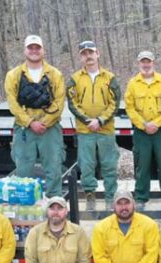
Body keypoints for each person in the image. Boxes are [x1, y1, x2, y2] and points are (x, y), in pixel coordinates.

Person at [4, 35, 66, 197]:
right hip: (24, 129)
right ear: (25, 51)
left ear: (43, 50)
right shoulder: (13, 75)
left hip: (50, 129)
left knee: (53, 167)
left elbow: (59, 102)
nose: (34, 51)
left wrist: (44, 122)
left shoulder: (55, 74)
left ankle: (55, 203)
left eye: (37, 48)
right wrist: (30, 122)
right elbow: (13, 104)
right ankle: (26, 204)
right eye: (30, 48)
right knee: (23, 168)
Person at [67, 40, 122, 212]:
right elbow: (72, 104)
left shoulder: (110, 78)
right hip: (85, 131)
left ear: (97, 53)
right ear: (80, 57)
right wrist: (87, 121)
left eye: (90, 52)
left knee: (109, 164)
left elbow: (115, 102)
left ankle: (110, 196)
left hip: (106, 130)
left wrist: (101, 120)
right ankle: (90, 194)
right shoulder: (74, 79)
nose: (88, 56)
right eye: (84, 53)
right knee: (87, 165)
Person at [124, 51, 161, 208]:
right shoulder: (133, 84)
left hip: (160, 131)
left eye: (148, 62)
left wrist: (157, 123)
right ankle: (140, 197)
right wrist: (143, 124)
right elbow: (130, 107)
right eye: (143, 62)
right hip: (141, 133)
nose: (146, 65)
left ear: (154, 62)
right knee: (142, 165)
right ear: (138, 63)